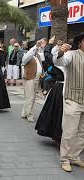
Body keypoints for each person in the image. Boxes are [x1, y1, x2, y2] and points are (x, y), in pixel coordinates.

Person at [52, 33, 84, 172]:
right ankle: (64, 159)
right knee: (70, 132)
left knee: (82, 132)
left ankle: (75, 157)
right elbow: (60, 62)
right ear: (80, 42)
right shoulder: (72, 54)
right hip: (72, 99)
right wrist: (60, 52)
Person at [20, 39, 46, 122]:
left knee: (32, 97)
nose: (38, 49)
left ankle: (25, 113)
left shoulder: (37, 56)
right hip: (29, 79)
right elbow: (26, 58)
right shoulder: (27, 55)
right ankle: (29, 114)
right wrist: (35, 46)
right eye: (36, 47)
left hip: (36, 79)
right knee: (30, 97)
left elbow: (44, 57)